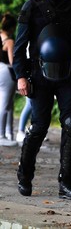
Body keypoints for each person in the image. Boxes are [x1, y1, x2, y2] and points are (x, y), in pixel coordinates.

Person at [13, 0, 71, 199]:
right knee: (39, 127)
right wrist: (21, 76)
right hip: (39, 74)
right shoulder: (32, 6)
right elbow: (20, 46)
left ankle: (66, 183)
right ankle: (25, 175)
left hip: (68, 75)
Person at [0, 13, 17, 146]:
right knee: (6, 105)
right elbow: (12, 61)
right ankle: (2, 135)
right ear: (12, 28)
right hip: (7, 71)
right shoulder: (9, 41)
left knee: (6, 104)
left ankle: (9, 134)